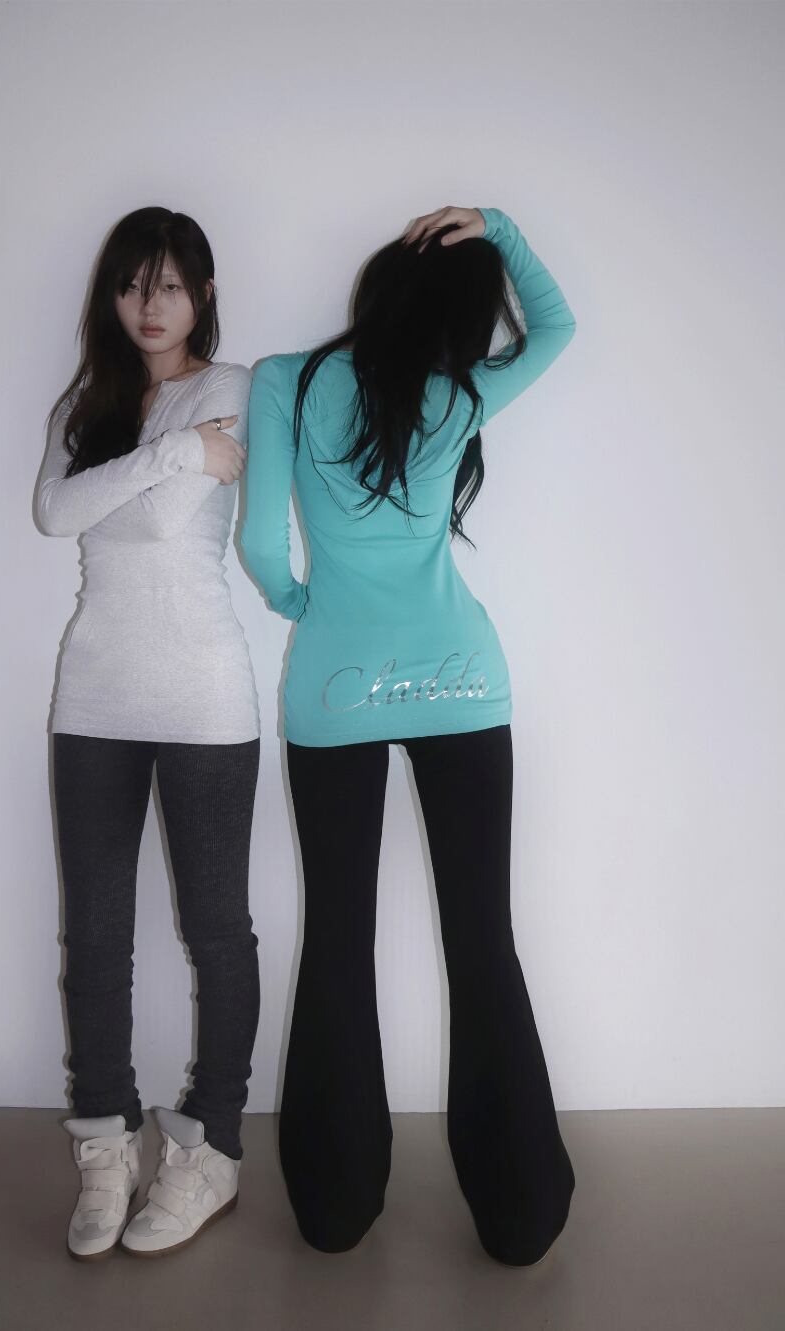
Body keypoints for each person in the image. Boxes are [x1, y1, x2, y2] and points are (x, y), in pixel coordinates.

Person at [239, 204, 578, 1264]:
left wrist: (298, 602)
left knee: (338, 935)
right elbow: (558, 326)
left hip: (334, 690)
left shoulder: (284, 381)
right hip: (461, 682)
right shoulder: (460, 393)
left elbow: (259, 542)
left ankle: (335, 1205)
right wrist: (501, 229)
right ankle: (520, 1212)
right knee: (482, 938)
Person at [34, 207, 260, 1260]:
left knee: (216, 930)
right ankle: (106, 1142)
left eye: (169, 285)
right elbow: (54, 513)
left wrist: (138, 474)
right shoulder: (86, 403)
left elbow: (162, 519)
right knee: (94, 932)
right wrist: (172, 452)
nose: (149, 305)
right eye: (132, 285)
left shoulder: (233, 388)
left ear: (202, 293)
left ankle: (212, 1148)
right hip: (93, 695)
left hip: (204, 695)